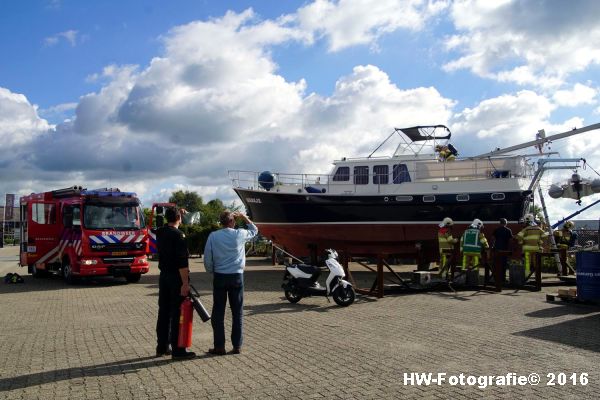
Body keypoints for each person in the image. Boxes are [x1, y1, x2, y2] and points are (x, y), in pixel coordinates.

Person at [204, 211, 258, 355]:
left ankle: (219, 346)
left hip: (220, 277)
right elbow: (255, 230)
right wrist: (243, 217)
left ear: (221, 222)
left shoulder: (213, 236)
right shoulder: (239, 234)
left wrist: (211, 271)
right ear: (233, 221)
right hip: (236, 277)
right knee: (237, 312)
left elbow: (208, 258)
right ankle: (237, 346)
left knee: (218, 312)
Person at [155, 207, 195, 360]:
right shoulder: (179, 236)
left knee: (163, 312)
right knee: (177, 312)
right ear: (179, 217)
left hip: (163, 276)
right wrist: (185, 283)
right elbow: (182, 263)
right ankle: (178, 350)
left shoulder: (161, 232)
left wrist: (177, 213)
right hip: (176, 277)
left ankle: (162, 346)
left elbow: (170, 224)